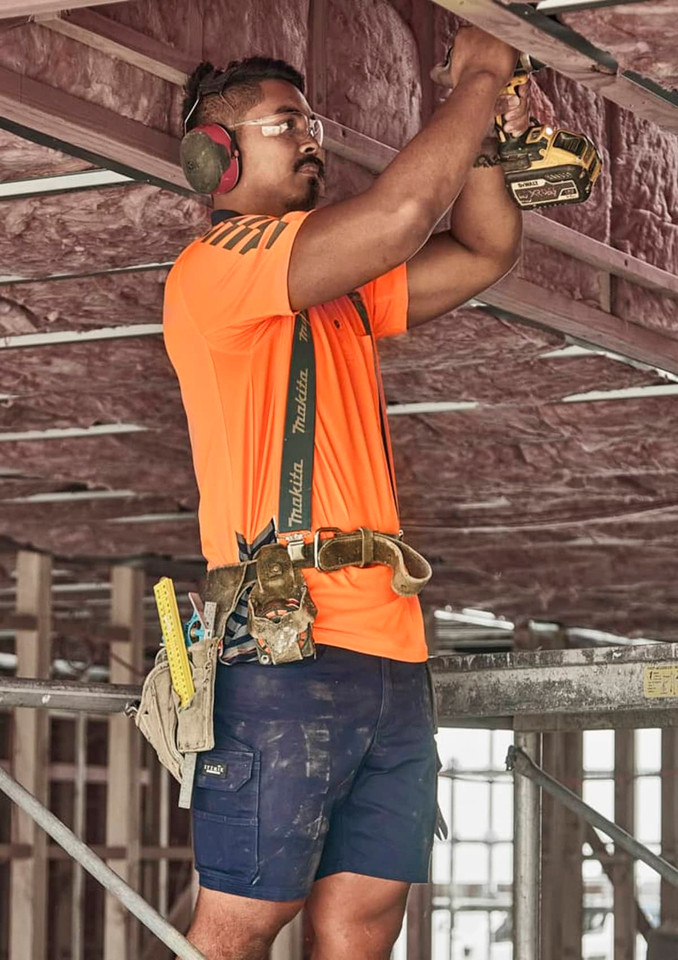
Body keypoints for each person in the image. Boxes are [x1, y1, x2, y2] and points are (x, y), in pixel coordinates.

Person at [163, 25, 528, 960]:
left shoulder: (338, 294)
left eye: (312, 121)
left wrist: (485, 128)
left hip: (391, 652)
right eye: (288, 124)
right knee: (242, 922)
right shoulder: (217, 270)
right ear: (220, 155)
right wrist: (482, 72)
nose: (313, 138)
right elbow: (405, 213)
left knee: (366, 921)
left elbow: (485, 249)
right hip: (284, 650)